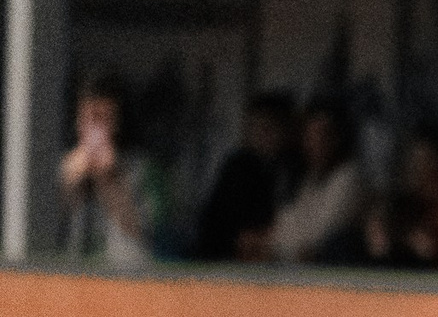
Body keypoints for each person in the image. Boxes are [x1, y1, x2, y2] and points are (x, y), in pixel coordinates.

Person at [57, 74, 168, 271]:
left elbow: (151, 234)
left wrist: (110, 179)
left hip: (128, 283)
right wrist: (69, 184)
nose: (96, 128)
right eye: (90, 117)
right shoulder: (65, 167)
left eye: (105, 119)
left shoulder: (144, 169)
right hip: (71, 284)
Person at [250, 99, 367, 265]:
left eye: (322, 135)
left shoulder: (350, 178)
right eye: (309, 135)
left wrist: (273, 247)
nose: (314, 143)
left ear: (338, 138)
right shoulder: (309, 178)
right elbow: (286, 225)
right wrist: (266, 242)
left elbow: (317, 240)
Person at [192, 90, 297, 261]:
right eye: (256, 127)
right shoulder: (238, 166)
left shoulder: (291, 167)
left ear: (284, 131)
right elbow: (218, 222)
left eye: (269, 129)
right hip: (223, 255)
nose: (262, 136)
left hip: (275, 253)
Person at [364, 126, 438, 270]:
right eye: (415, 160)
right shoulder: (402, 192)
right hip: (396, 262)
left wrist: (429, 244)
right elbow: (381, 234)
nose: (419, 166)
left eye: (426, 160)